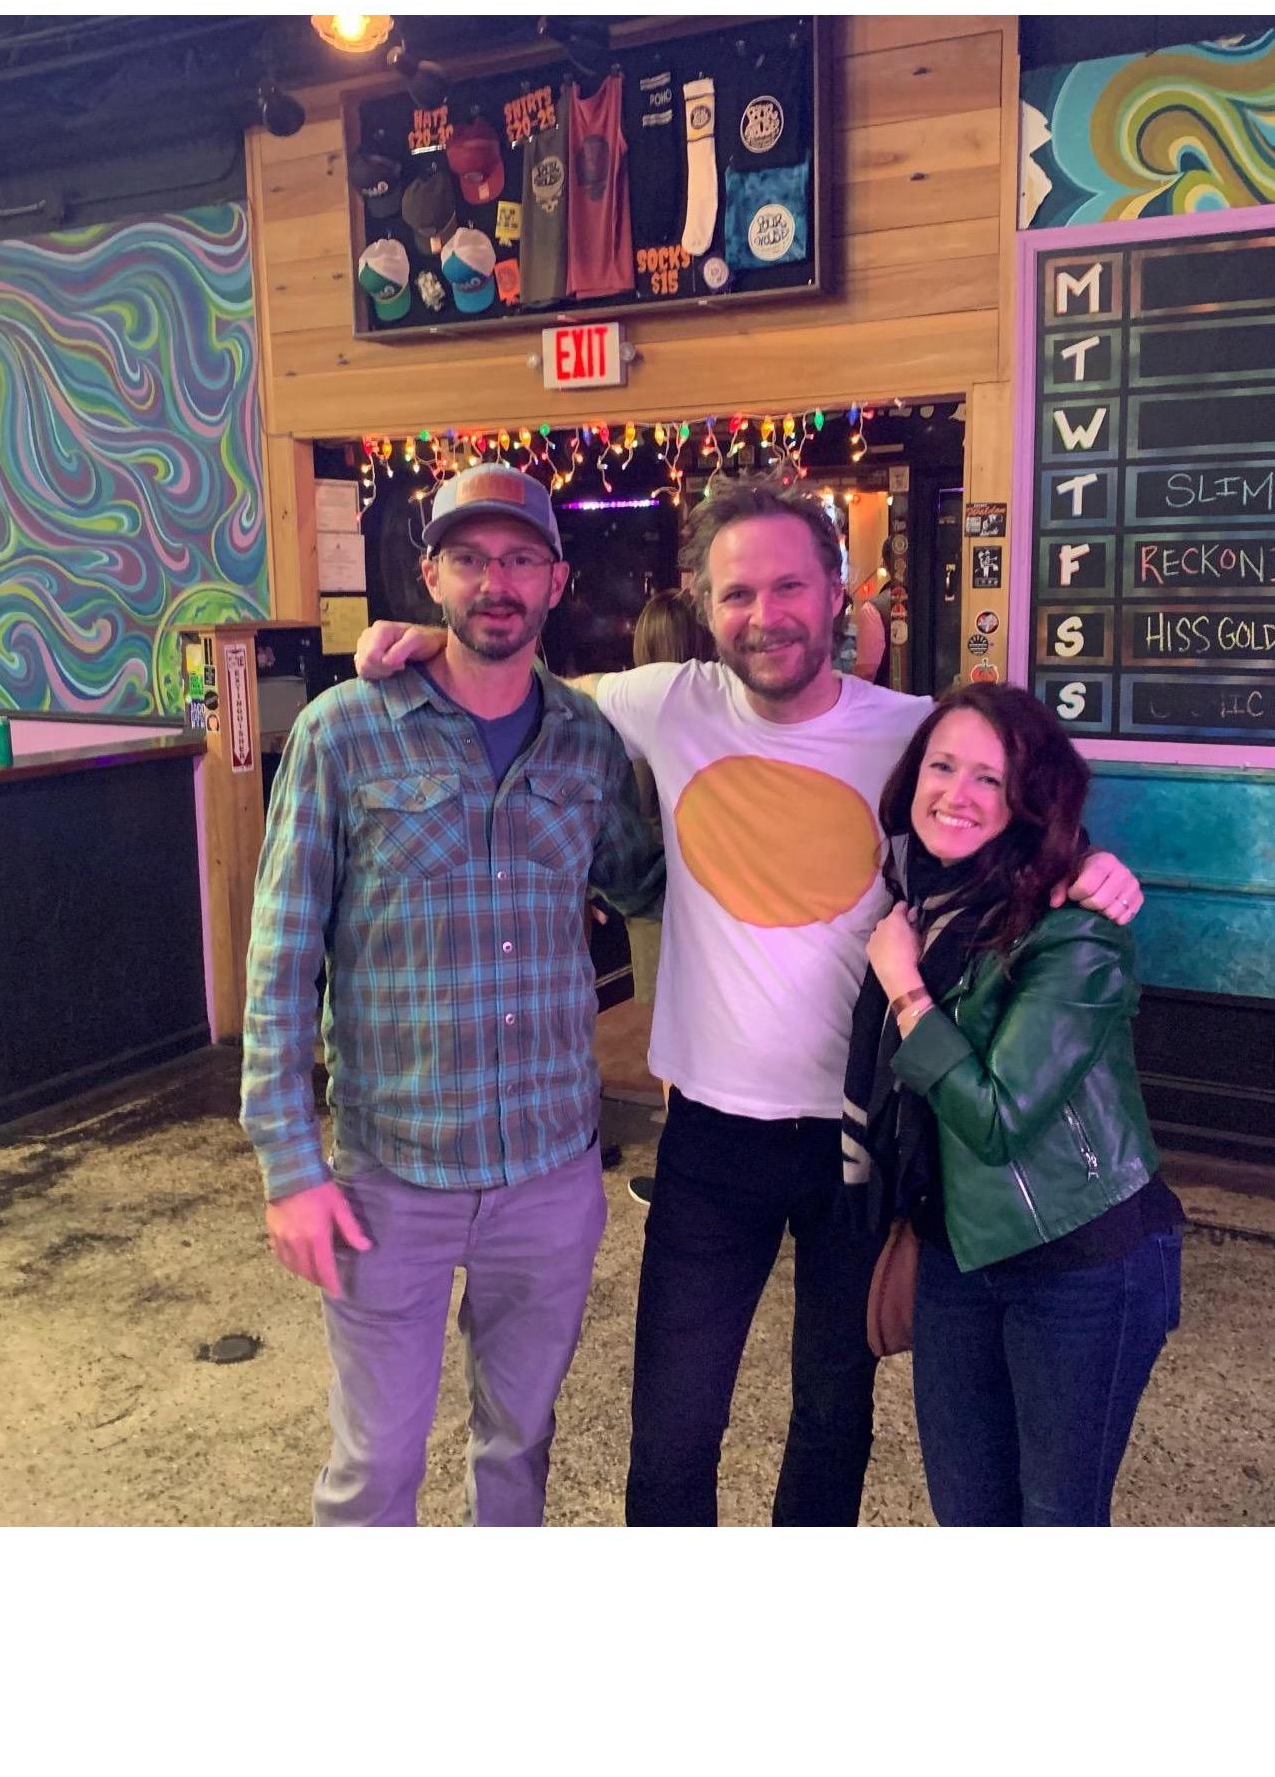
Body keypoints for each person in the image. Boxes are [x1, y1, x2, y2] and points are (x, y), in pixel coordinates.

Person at [355, 472, 1142, 1526]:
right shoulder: (662, 702)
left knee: (831, 1418)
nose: (763, 616)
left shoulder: (913, 732)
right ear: (701, 603)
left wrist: (1091, 870)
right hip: (711, 1135)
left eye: (787, 588)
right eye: (736, 595)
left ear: (835, 593)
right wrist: (414, 640)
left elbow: (1019, 802)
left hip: (862, 1135)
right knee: (673, 1427)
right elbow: (510, 681)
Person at [241, 462, 662, 1526]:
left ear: (558, 581)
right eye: (470, 558)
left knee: (519, 1447)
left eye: (521, 558)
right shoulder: (345, 732)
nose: (496, 582)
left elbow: (646, 877)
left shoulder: (585, 739)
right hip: (395, 1176)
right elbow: (282, 958)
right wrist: (290, 1163)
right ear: (429, 575)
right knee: (376, 1469)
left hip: (551, 1171)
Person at [849, 683, 1183, 1525]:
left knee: (1055, 1520)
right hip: (956, 1249)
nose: (956, 795)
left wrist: (904, 990)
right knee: (969, 1515)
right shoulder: (917, 900)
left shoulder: (1074, 928)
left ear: (1030, 800)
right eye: (942, 765)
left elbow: (998, 1120)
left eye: (990, 780)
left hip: (1080, 1265)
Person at [623, 590, 715, 1209]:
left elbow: (621, 826)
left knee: (672, 1039)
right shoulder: (719, 712)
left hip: (655, 899)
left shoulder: (636, 715)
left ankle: (681, 1171)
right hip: (717, 900)